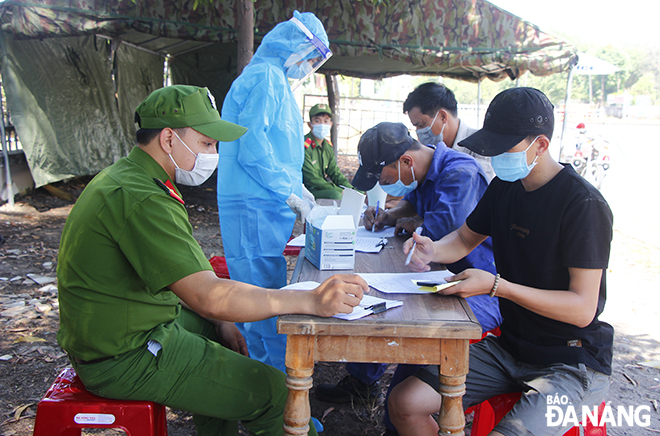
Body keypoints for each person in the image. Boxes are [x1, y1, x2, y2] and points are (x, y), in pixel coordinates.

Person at [56, 84, 367, 436]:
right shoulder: (142, 197)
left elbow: (185, 279)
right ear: (169, 140)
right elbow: (209, 295)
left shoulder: (133, 178)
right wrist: (307, 299)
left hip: (118, 331)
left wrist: (217, 320)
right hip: (123, 355)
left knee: (221, 332)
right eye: (206, 143)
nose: (213, 153)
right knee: (276, 393)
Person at [389, 87, 613, 436]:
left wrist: (497, 287)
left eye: (503, 148)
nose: (495, 158)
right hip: (511, 346)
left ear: (540, 144)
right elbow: (464, 238)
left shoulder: (582, 205)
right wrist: (432, 249)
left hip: (569, 360)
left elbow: (583, 308)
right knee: (405, 403)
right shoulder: (505, 188)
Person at [314, 122, 501, 414]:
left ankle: (399, 418)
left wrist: (414, 225)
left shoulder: (460, 173)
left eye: (382, 176)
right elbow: (410, 206)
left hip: (478, 285)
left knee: (419, 329)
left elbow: (442, 232)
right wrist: (387, 216)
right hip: (433, 271)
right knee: (372, 293)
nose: (382, 183)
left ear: (405, 161)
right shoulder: (420, 172)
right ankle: (363, 382)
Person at [217, 11, 331, 373]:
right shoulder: (265, 77)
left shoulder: (275, 80)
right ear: (294, 46)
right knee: (262, 304)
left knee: (266, 295)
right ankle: (276, 399)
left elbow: (280, 151)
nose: (308, 66)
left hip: (262, 201)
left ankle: (273, 390)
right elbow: (253, 147)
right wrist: (289, 192)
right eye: (309, 56)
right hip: (254, 202)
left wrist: (299, 189)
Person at [403, 82, 495, 180]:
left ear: (442, 116)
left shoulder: (481, 146)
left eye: (421, 125)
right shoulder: (427, 151)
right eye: (415, 126)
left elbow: (472, 188)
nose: (419, 132)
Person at [302, 103, 355, 199]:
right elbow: (311, 179)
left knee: (357, 193)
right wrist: (340, 190)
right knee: (335, 195)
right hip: (307, 190)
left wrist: (350, 189)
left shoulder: (327, 146)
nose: (322, 125)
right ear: (310, 124)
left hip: (322, 188)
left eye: (326, 121)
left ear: (331, 124)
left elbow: (334, 172)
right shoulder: (304, 145)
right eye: (317, 121)